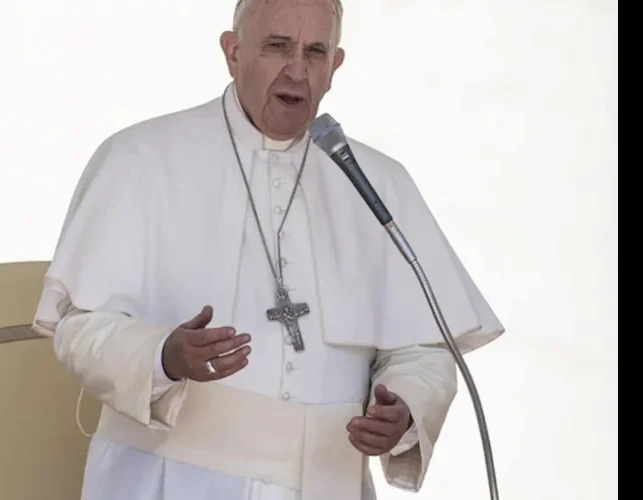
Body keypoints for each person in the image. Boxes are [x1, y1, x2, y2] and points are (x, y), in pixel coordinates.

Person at [32, 0, 505, 498]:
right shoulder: (141, 158)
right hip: (172, 482)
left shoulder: (377, 182)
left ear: (335, 65)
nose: (297, 70)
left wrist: (405, 407)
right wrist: (162, 356)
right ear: (233, 52)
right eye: (277, 46)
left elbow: (424, 349)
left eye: (315, 52)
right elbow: (77, 327)